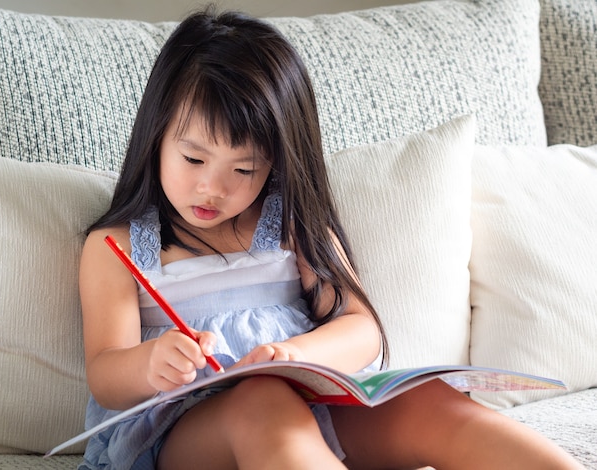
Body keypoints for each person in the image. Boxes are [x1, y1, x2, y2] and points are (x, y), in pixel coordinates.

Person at [78, 6, 584, 470]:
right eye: (193, 159)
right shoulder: (120, 247)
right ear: (156, 135)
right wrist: (152, 363)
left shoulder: (289, 227)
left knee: (430, 400)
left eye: (245, 168)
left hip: (305, 411)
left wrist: (296, 356)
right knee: (262, 402)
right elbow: (106, 374)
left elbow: (361, 329)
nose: (213, 187)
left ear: (275, 161)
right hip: (180, 439)